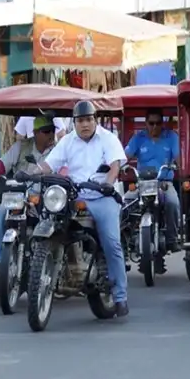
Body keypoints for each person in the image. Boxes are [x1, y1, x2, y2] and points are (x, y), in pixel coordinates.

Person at [39, 101, 130, 317]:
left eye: (89, 119)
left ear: (95, 120)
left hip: (102, 196)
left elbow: (115, 166)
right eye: (80, 121)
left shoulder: (108, 138)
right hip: (76, 196)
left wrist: (108, 183)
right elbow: (48, 165)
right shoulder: (67, 141)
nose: (85, 124)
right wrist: (32, 173)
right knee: (53, 221)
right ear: (74, 123)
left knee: (112, 242)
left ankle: (120, 296)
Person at [0, 116, 58, 263]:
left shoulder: (58, 150)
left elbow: (65, 169)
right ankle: (0, 257)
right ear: (35, 132)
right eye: (46, 131)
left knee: (52, 220)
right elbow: (2, 164)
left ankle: (47, 256)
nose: (51, 134)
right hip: (18, 194)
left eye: (53, 130)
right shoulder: (21, 146)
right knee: (1, 213)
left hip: (45, 196)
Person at [124, 108, 181, 252]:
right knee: (125, 202)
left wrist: (180, 165)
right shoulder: (138, 138)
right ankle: (126, 239)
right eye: (151, 123)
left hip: (164, 183)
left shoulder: (171, 136)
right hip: (142, 183)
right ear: (146, 123)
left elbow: (179, 158)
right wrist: (119, 166)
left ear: (163, 123)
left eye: (158, 123)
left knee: (173, 202)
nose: (155, 127)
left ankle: (172, 239)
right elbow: (125, 156)